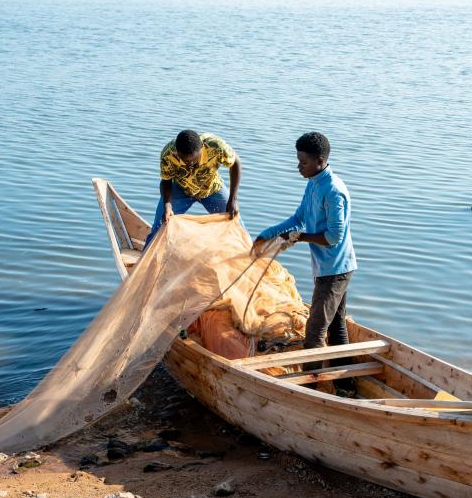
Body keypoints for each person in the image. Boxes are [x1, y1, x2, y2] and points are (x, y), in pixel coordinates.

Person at [252, 132, 356, 349]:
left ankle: (313, 381)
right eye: (298, 161)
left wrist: (299, 237)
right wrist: (268, 234)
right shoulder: (313, 184)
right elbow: (298, 219)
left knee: (315, 329)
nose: (299, 167)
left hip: (335, 269)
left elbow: (333, 237)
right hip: (327, 267)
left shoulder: (333, 191)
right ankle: (346, 382)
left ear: (320, 161)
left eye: (303, 162)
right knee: (336, 325)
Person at [145, 129, 241, 247]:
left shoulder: (215, 146)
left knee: (234, 221)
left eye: (194, 160)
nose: (189, 164)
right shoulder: (168, 154)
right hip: (181, 189)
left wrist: (233, 199)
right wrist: (167, 205)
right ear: (177, 151)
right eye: (185, 161)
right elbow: (166, 181)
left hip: (211, 188)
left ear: (201, 147)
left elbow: (235, 162)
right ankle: (147, 261)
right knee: (161, 226)